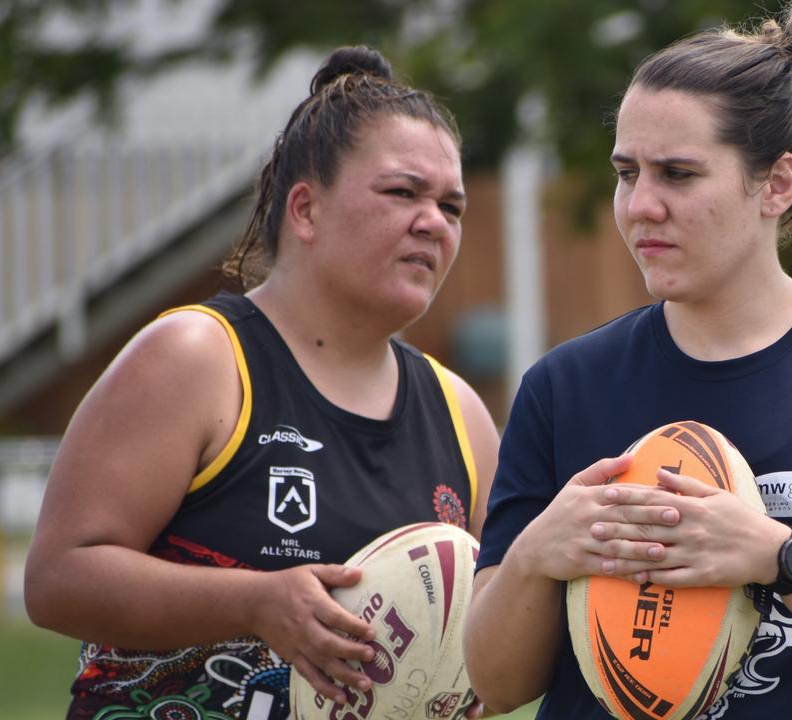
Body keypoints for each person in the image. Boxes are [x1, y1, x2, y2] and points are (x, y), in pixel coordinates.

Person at [464, 2, 792, 718]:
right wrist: (536, 554)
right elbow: (495, 686)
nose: (640, 205)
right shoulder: (564, 387)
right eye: (627, 173)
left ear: (776, 184)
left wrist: (778, 556)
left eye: (678, 175)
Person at [24, 45, 498, 720]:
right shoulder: (196, 358)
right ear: (304, 210)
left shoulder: (463, 417)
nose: (433, 223)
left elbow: (496, 633)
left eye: (451, 207)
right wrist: (255, 602)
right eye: (403, 193)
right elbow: (56, 580)